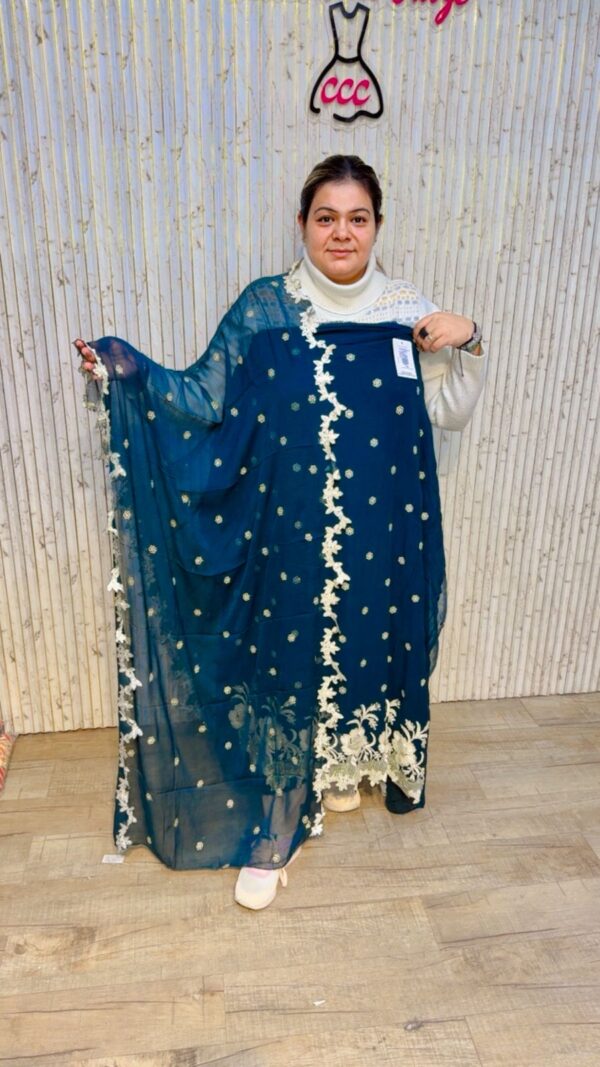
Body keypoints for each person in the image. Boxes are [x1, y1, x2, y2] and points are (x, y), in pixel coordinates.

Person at [75, 154, 486, 910]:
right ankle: (278, 816)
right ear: (302, 225)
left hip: (387, 528)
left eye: (357, 218)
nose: (342, 232)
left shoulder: (407, 310)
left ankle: (341, 767)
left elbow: (448, 414)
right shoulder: (267, 309)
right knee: (291, 655)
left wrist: (470, 339)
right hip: (290, 534)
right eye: (326, 217)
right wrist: (129, 373)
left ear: (377, 226)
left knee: (369, 639)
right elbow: (204, 398)